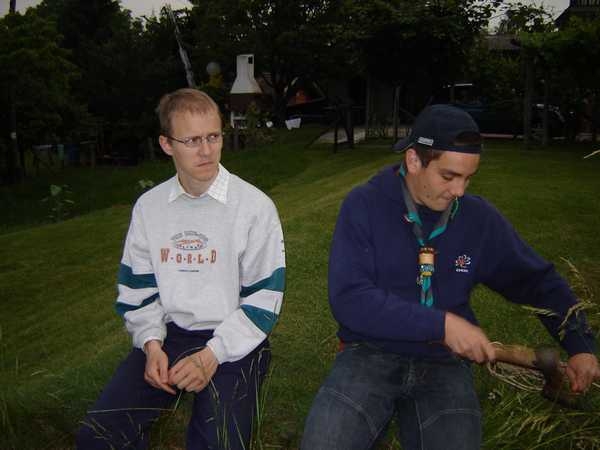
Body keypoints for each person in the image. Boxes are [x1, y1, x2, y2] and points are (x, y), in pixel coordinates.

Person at [301, 104, 599, 450]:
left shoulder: (478, 219)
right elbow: (350, 298)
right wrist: (442, 325)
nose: (459, 191)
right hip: (369, 351)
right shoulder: (364, 205)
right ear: (414, 160)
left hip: (444, 362)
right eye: (449, 176)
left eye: (468, 178)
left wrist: (580, 345)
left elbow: (537, 281)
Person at [76, 88, 286, 449]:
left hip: (236, 338)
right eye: (192, 140)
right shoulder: (150, 208)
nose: (206, 151)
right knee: (97, 437)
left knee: (218, 442)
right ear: (166, 144)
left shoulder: (254, 207)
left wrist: (214, 354)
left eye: (213, 137)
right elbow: (138, 290)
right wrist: (151, 344)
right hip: (170, 336)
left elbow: (264, 299)